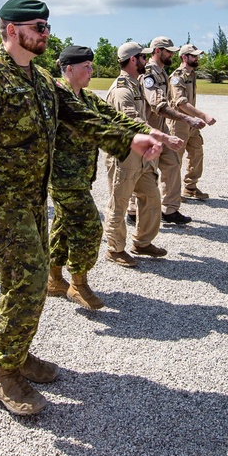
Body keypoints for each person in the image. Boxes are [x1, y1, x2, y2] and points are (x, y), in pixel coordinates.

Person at [0, 0, 165, 416]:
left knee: (30, 283)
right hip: (1, 206)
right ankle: (2, 374)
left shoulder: (39, 79)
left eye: (46, 26)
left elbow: (77, 112)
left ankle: (16, 356)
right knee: (26, 282)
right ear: (10, 29)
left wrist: (129, 139)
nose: (45, 32)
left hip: (33, 200)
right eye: (38, 26)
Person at [48, 45, 155, 308]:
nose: (91, 71)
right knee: (88, 226)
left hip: (80, 177)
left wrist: (153, 133)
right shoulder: (58, 95)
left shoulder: (86, 97)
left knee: (63, 226)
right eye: (87, 66)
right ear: (69, 68)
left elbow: (115, 117)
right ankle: (78, 283)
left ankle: (52, 279)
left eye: (91, 66)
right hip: (62, 178)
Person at [102, 42, 178, 268]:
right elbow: (134, 122)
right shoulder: (122, 89)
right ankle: (115, 249)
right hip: (124, 154)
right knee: (119, 202)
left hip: (141, 155)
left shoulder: (136, 85)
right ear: (133, 60)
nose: (146, 61)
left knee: (152, 197)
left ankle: (142, 242)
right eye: (143, 57)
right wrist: (164, 138)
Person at [140, 36, 205, 226]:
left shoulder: (161, 72)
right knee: (143, 172)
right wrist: (186, 117)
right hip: (149, 130)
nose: (172, 54)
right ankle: (134, 210)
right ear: (157, 51)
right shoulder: (149, 73)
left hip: (163, 128)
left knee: (172, 163)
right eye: (168, 51)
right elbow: (158, 105)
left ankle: (169, 209)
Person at [166, 43, 217, 202]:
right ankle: (171, 194)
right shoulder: (177, 77)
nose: (197, 58)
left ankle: (190, 188)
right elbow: (181, 103)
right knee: (175, 159)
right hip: (179, 123)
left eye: (197, 55)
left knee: (196, 153)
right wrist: (204, 116)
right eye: (193, 55)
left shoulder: (192, 74)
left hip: (192, 124)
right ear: (184, 57)